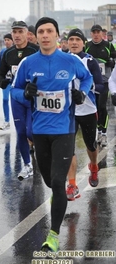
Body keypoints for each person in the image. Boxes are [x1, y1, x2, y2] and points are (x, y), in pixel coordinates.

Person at [13, 17, 92, 253]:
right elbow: (15, 91)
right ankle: (57, 198)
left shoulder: (70, 60)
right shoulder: (28, 62)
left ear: (58, 36)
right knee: (49, 181)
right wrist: (25, 93)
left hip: (64, 129)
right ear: (34, 36)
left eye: (49, 31)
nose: (45, 35)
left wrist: (82, 93)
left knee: (58, 182)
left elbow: (86, 78)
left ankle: (54, 235)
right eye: (41, 32)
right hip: (39, 130)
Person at [0, 21, 39, 179]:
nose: (16, 35)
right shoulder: (8, 53)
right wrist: (2, 81)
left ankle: (43, 151)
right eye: (14, 32)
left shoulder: (35, 50)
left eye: (20, 31)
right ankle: (27, 165)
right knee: (21, 132)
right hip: (17, 97)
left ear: (27, 33)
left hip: (35, 98)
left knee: (30, 132)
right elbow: (0, 74)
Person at [65, 28, 104, 200]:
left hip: (87, 110)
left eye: (77, 40)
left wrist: (84, 91)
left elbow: (100, 85)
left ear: (83, 43)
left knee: (91, 145)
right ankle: (72, 184)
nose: (74, 42)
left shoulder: (90, 61)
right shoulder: (61, 60)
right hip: (67, 111)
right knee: (68, 147)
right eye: (71, 39)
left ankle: (94, 167)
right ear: (66, 42)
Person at [85, 24, 116, 147]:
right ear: (91, 34)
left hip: (104, 81)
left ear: (102, 34)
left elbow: (114, 59)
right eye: (94, 32)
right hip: (91, 82)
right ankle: (97, 131)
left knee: (102, 106)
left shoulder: (108, 45)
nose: (96, 34)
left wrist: (111, 62)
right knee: (94, 107)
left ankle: (103, 133)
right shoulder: (87, 46)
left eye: (98, 32)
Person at [0, 33, 14, 131]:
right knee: (5, 99)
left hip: (14, 81)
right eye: (5, 40)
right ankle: (7, 121)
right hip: (6, 80)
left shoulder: (15, 51)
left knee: (15, 101)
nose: (7, 42)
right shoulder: (2, 52)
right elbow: (1, 67)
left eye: (8, 40)